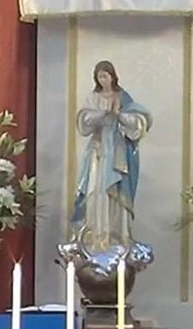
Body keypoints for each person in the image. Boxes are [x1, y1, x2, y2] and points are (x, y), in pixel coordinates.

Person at [71, 60, 152, 252]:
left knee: (116, 193)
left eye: (106, 75)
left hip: (117, 152)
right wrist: (102, 114)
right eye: (100, 76)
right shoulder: (93, 97)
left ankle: (117, 236)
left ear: (113, 76)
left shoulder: (123, 97)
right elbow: (84, 121)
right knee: (94, 190)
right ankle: (95, 235)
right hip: (98, 152)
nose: (103, 80)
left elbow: (139, 121)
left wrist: (119, 115)